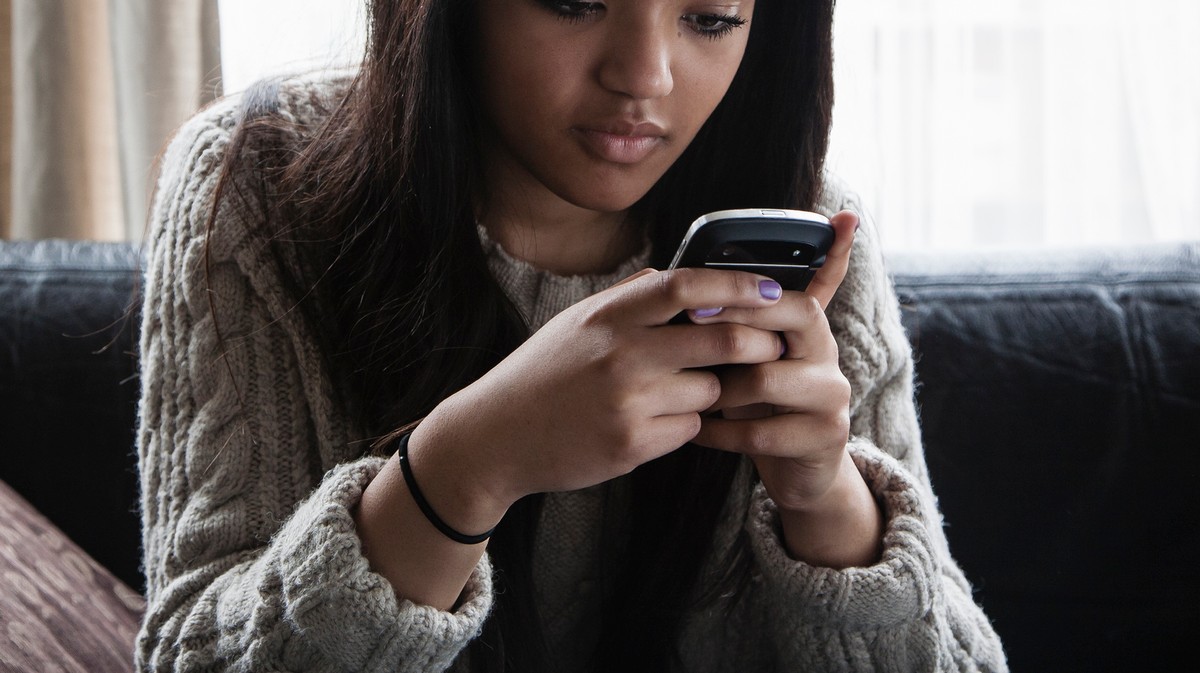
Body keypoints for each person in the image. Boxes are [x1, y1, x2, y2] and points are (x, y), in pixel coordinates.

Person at [135, 0, 1007, 671]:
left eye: (708, 19)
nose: (644, 76)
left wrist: (826, 501)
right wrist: (467, 464)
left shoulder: (809, 241)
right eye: (574, 1)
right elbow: (194, 653)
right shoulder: (257, 185)